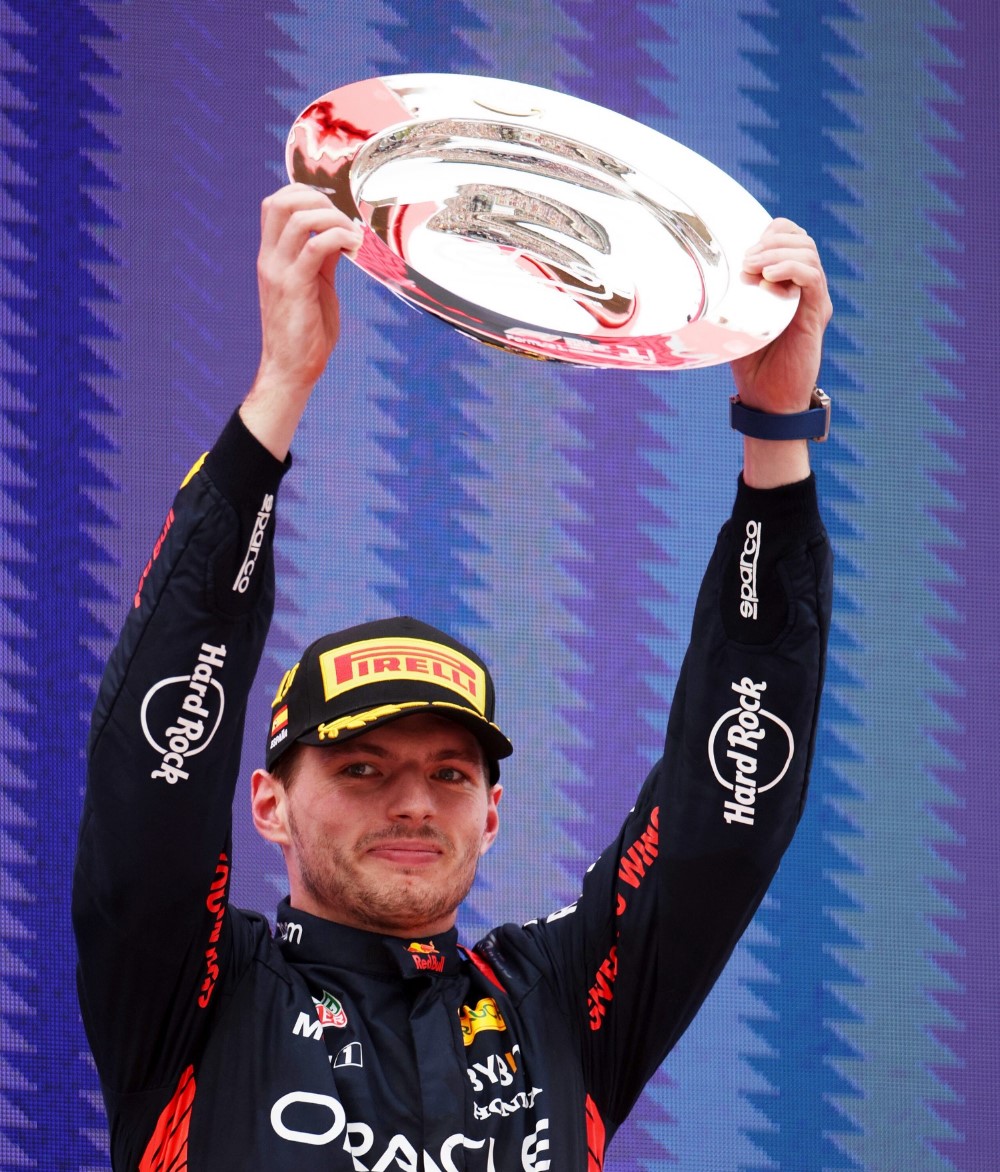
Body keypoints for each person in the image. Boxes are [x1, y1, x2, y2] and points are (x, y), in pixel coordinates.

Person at [73, 183, 833, 1170]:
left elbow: (727, 814)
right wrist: (279, 391)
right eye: (359, 767)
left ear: (493, 810)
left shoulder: (556, 1000)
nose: (413, 803)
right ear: (267, 801)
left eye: (449, 772)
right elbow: (151, 772)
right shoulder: (196, 988)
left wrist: (775, 431)